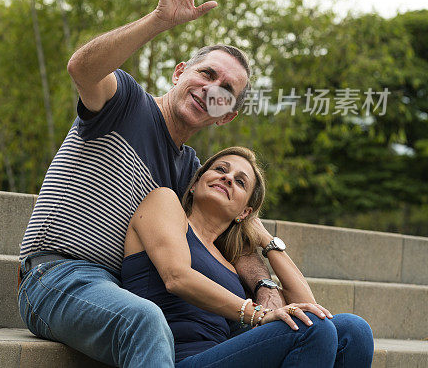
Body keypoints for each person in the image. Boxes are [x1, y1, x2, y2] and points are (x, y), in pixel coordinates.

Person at [18, 0, 291, 367]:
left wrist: (266, 287)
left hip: (121, 290)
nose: (210, 89)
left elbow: (232, 240)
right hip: (56, 277)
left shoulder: (192, 173)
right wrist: (159, 20)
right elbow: (82, 68)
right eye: (206, 73)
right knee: (146, 319)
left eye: (225, 91)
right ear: (181, 72)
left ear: (226, 115)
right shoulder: (127, 103)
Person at [122, 146, 374, 367]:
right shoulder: (164, 203)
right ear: (197, 181)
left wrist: (265, 238)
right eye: (221, 168)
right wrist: (258, 313)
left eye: (240, 182)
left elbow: (312, 309)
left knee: (354, 330)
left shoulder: (231, 260)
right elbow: (176, 277)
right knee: (313, 330)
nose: (228, 178)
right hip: (179, 358)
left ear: (245, 212)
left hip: (227, 354)